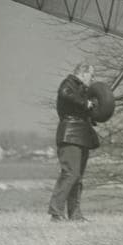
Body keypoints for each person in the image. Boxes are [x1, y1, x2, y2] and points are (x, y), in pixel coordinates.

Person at [48, 63, 100, 222]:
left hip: (82, 135)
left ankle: (75, 215)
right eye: (91, 75)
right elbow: (65, 93)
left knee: (77, 177)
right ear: (83, 73)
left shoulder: (82, 89)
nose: (93, 79)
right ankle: (56, 212)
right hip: (70, 134)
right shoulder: (69, 83)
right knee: (70, 173)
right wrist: (85, 103)